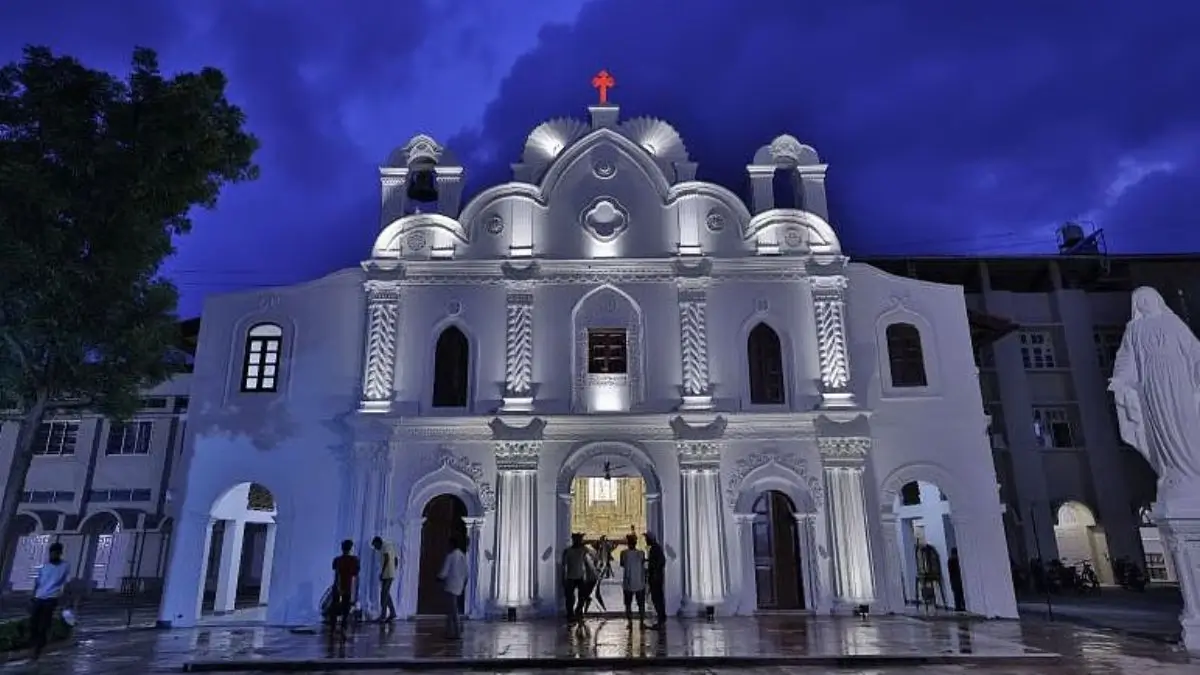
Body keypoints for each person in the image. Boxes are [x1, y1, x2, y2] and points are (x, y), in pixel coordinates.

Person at [1110, 286, 1200, 492]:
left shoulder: (1172, 323)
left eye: (1147, 299)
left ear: (1157, 300)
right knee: (1162, 423)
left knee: (1184, 420)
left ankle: (1193, 467)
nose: (1144, 303)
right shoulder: (1134, 329)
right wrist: (1120, 380)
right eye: (1140, 301)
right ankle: (1173, 469)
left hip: (1177, 379)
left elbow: (1194, 350)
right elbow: (1126, 357)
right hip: (1152, 382)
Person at [29, 542, 70, 661]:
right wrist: (33, 595)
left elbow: (66, 582)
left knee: (43, 624)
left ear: (60, 553)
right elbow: (37, 581)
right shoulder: (45, 566)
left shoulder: (65, 566)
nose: (53, 555)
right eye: (52, 553)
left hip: (51, 598)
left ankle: (38, 649)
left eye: (56, 553)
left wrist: (65, 597)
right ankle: (34, 644)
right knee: (33, 623)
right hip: (39, 597)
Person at [437, 533, 468, 639]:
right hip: (459, 584)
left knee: (453, 609)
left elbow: (444, 571)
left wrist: (439, 578)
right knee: (451, 609)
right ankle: (449, 630)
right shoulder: (462, 555)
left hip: (451, 584)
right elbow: (466, 571)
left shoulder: (450, 556)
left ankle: (457, 631)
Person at [561, 532, 595, 621]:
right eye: (579, 539)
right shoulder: (568, 551)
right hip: (571, 577)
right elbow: (564, 566)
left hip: (580, 576)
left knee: (582, 596)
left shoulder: (582, 550)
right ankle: (571, 613)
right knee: (570, 598)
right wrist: (563, 578)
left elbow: (593, 554)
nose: (580, 541)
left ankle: (578, 610)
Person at [330, 539, 360, 635]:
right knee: (345, 606)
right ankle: (343, 625)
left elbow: (334, 568)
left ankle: (333, 626)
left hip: (337, 585)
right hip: (347, 585)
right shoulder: (354, 560)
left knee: (335, 606)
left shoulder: (337, 559)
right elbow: (355, 573)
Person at [619, 533, 647, 626]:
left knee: (628, 604)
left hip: (628, 582)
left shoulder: (624, 553)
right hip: (639, 582)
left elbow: (622, 564)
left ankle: (630, 622)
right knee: (641, 604)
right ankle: (642, 622)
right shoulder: (641, 553)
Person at [371, 536, 399, 623]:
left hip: (387, 574)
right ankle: (392, 613)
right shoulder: (390, 545)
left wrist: (383, 572)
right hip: (390, 573)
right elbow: (396, 559)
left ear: (378, 542)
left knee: (383, 595)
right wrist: (394, 569)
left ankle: (383, 615)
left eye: (376, 546)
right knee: (386, 594)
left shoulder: (384, 546)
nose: (376, 548)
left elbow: (387, 558)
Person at [644, 531, 667, 629]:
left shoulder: (655, 548)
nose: (645, 540)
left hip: (656, 578)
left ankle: (661, 620)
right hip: (655, 577)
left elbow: (662, 561)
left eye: (646, 538)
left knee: (657, 598)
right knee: (656, 598)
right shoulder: (654, 548)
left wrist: (655, 572)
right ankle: (661, 619)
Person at [947, 547, 965, 612]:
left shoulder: (950, 561)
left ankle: (958, 607)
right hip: (957, 579)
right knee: (960, 594)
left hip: (954, 580)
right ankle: (961, 606)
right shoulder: (956, 561)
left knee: (957, 594)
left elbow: (950, 572)